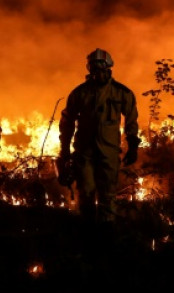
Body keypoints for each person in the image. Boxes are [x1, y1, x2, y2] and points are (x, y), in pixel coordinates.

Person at [59, 48, 140, 225]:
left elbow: (131, 120)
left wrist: (133, 144)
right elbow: (67, 123)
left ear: (108, 68)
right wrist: (64, 151)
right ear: (89, 69)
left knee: (108, 194)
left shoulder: (121, 93)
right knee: (86, 192)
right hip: (85, 152)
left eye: (101, 68)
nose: (98, 72)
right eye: (94, 68)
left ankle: (107, 233)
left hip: (109, 152)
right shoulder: (79, 93)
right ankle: (87, 232)